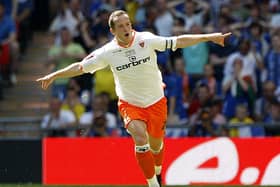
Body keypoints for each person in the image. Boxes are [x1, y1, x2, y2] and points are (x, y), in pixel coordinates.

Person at [37, 10, 230, 187]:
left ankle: (157, 171)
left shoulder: (146, 39)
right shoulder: (107, 52)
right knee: (140, 138)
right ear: (113, 31)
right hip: (130, 104)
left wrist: (210, 37)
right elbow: (80, 67)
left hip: (156, 102)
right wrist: (53, 75)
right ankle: (153, 184)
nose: (126, 28)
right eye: (120, 26)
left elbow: (178, 41)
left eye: (128, 24)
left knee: (156, 146)